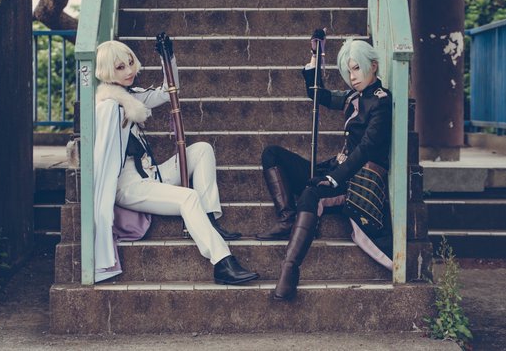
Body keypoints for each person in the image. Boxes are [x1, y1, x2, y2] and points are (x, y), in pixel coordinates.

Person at [92, 38, 258, 285]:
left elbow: (168, 91)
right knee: (188, 197)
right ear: (106, 70)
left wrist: (167, 58)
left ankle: (208, 218)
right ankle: (222, 263)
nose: (129, 71)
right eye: (120, 67)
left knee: (201, 150)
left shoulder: (131, 97)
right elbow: (102, 160)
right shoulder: (108, 108)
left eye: (130, 63)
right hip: (128, 186)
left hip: (150, 175)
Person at [255, 31, 393, 300]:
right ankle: (287, 217)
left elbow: (366, 148)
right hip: (337, 168)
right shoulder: (353, 96)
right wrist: (315, 57)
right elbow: (317, 95)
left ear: (373, 66)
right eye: (348, 71)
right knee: (272, 155)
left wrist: (333, 179)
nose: (353, 76)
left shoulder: (381, 101)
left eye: (357, 68)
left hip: (358, 180)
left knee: (311, 193)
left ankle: (289, 272)